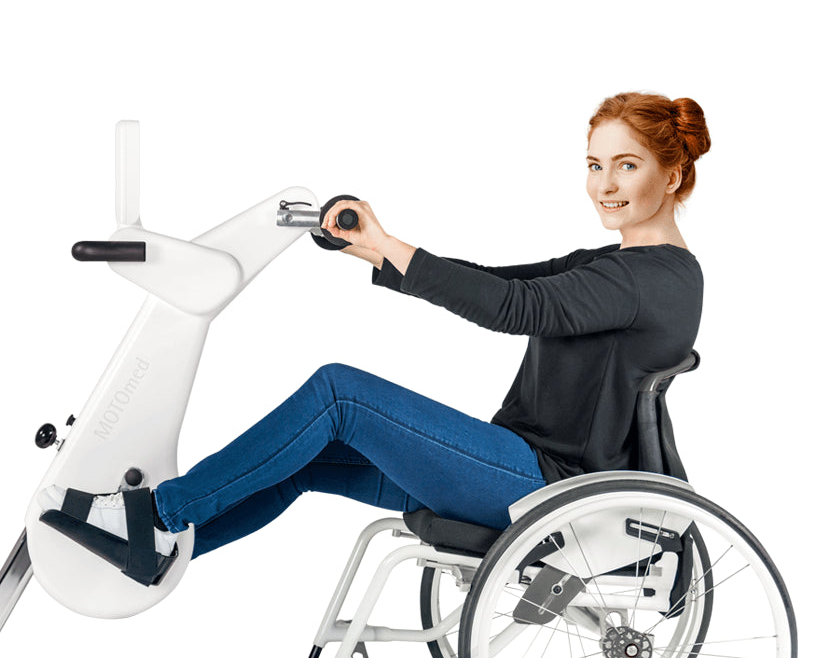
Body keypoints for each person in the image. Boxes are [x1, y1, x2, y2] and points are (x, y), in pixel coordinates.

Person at [40, 91, 711, 587]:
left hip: (547, 489)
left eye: (626, 166)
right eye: (594, 165)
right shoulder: (617, 267)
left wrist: (388, 244)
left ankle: (159, 516)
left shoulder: (650, 280)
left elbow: (514, 308)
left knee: (340, 395)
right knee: (308, 453)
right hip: (526, 470)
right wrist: (371, 247)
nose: (604, 185)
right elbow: (494, 281)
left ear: (673, 175)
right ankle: (156, 555)